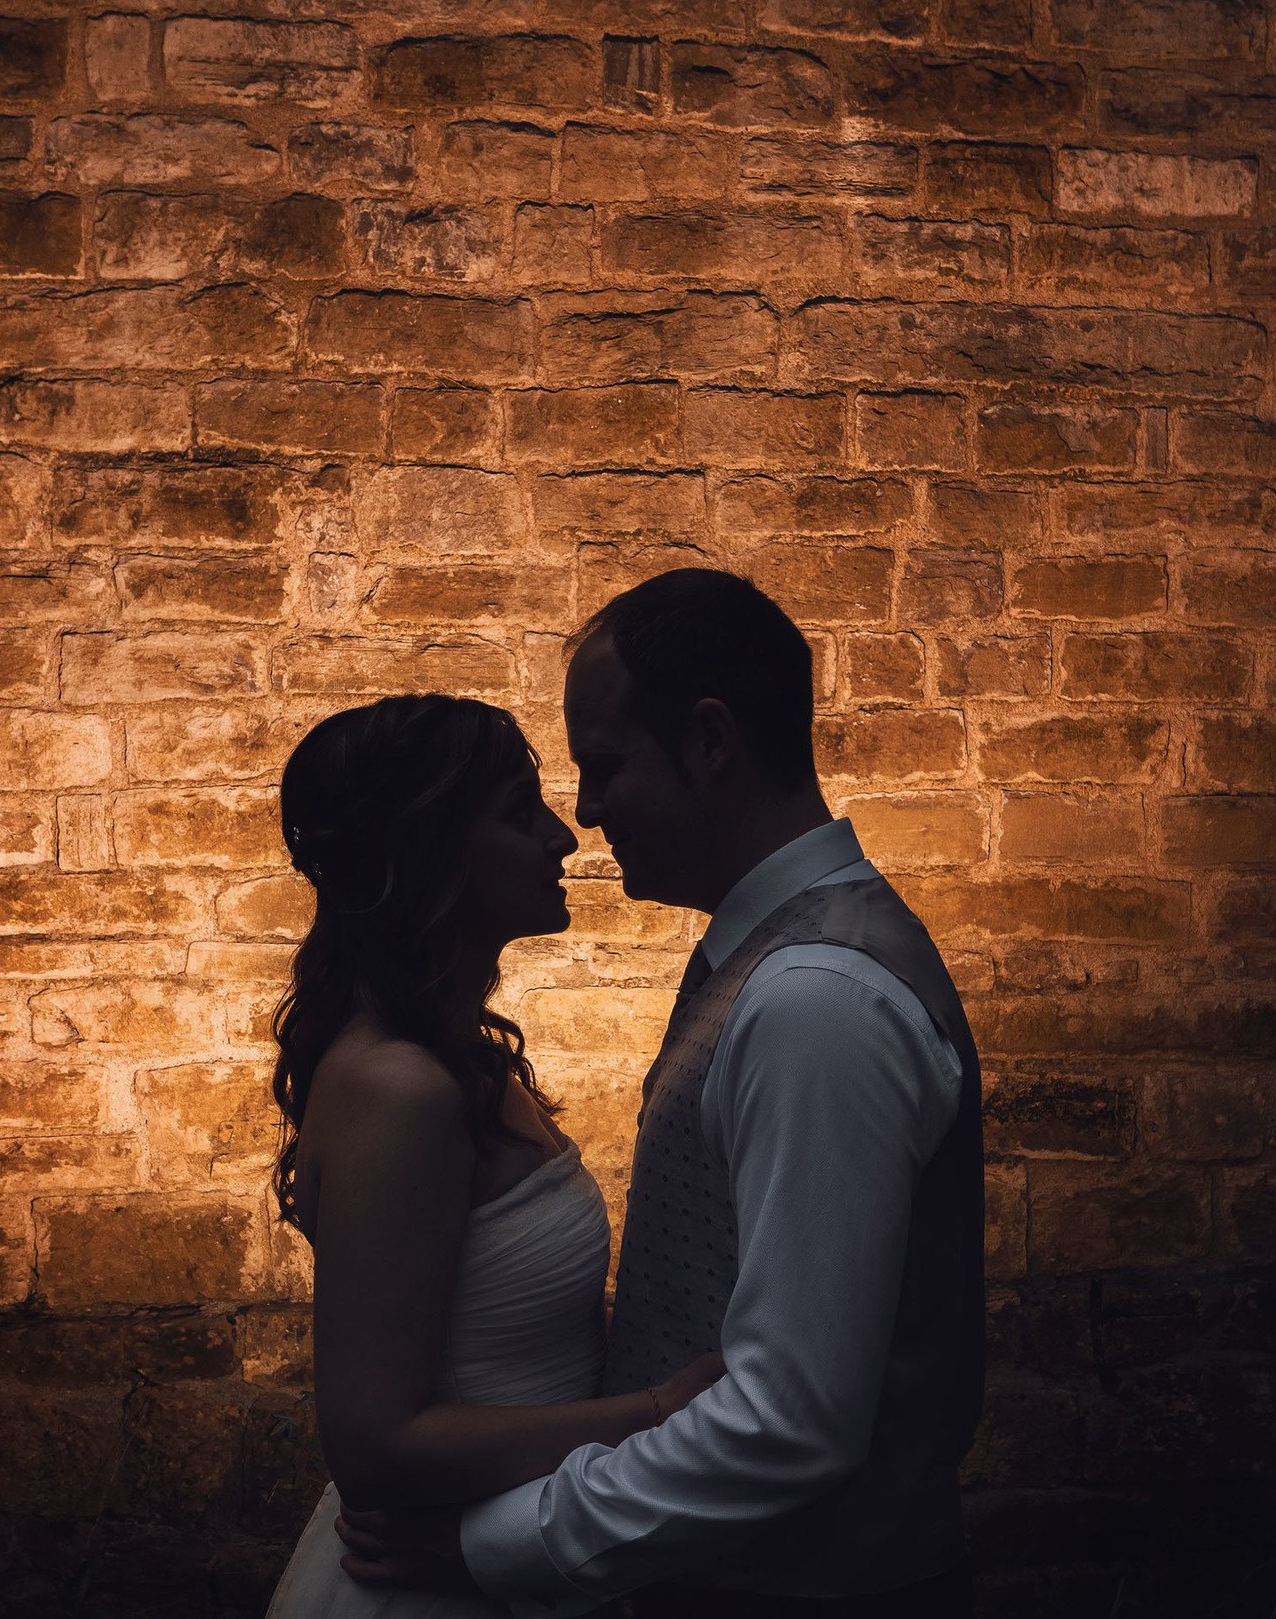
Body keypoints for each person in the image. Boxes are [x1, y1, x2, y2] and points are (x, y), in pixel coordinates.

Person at [339, 568, 986, 1618]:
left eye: (605, 768)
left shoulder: (813, 999)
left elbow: (789, 1421)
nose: (585, 815)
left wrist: (496, 1548)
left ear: (710, 742)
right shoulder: (771, 970)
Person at [261, 694, 726, 1619]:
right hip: (427, 1585)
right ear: (430, 848)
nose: (564, 836)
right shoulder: (399, 1087)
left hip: (509, 1561)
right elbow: (372, 1442)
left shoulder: (458, 1057)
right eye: (521, 811)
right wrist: (666, 1410)